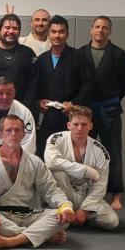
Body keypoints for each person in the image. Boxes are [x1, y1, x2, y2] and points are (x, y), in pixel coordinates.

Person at [0, 115, 75, 249]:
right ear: (0, 133)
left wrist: (65, 205)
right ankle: (41, 236)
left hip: (29, 215)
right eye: (8, 130)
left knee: (61, 217)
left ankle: (14, 239)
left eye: (17, 130)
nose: (13, 134)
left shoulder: (35, 161)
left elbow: (51, 190)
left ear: (24, 134)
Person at [80, 15, 125, 210]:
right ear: (91, 29)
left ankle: (116, 194)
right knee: (85, 152)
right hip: (86, 111)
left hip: (109, 110)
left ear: (110, 31)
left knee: (114, 152)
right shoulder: (81, 53)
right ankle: (84, 191)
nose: (100, 30)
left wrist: (111, 99)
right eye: (97, 27)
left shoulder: (119, 54)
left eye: (105, 27)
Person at [44, 106, 119, 230]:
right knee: (58, 173)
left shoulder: (100, 151)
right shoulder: (56, 139)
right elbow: (51, 162)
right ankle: (68, 211)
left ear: (91, 126)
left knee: (112, 221)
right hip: (62, 192)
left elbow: (100, 185)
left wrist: (85, 210)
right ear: (69, 125)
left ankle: (76, 216)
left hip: (85, 194)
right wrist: (85, 170)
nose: (79, 128)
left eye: (84, 124)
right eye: (76, 124)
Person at [35, 15, 93, 157]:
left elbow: (89, 85)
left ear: (67, 34)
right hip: (48, 116)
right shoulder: (42, 59)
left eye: (61, 32)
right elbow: (35, 86)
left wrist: (74, 104)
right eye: (53, 32)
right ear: (48, 34)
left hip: (71, 115)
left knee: (71, 155)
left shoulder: (79, 57)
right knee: (46, 154)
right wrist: (37, 102)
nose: (57, 35)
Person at [0, 14, 38, 109]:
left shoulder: (28, 54)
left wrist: (24, 107)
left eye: (15, 28)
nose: (11, 31)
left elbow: (33, 85)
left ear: (19, 31)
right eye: (7, 27)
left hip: (21, 108)